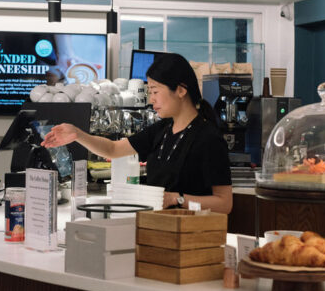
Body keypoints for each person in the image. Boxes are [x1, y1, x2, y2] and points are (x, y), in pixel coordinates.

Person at [42, 53, 232, 213]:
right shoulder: (162, 130)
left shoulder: (208, 138)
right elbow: (113, 149)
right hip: (158, 231)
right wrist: (78, 135)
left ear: (181, 90)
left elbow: (224, 204)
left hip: (193, 239)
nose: (151, 99)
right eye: (150, 91)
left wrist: (178, 199)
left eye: (155, 91)